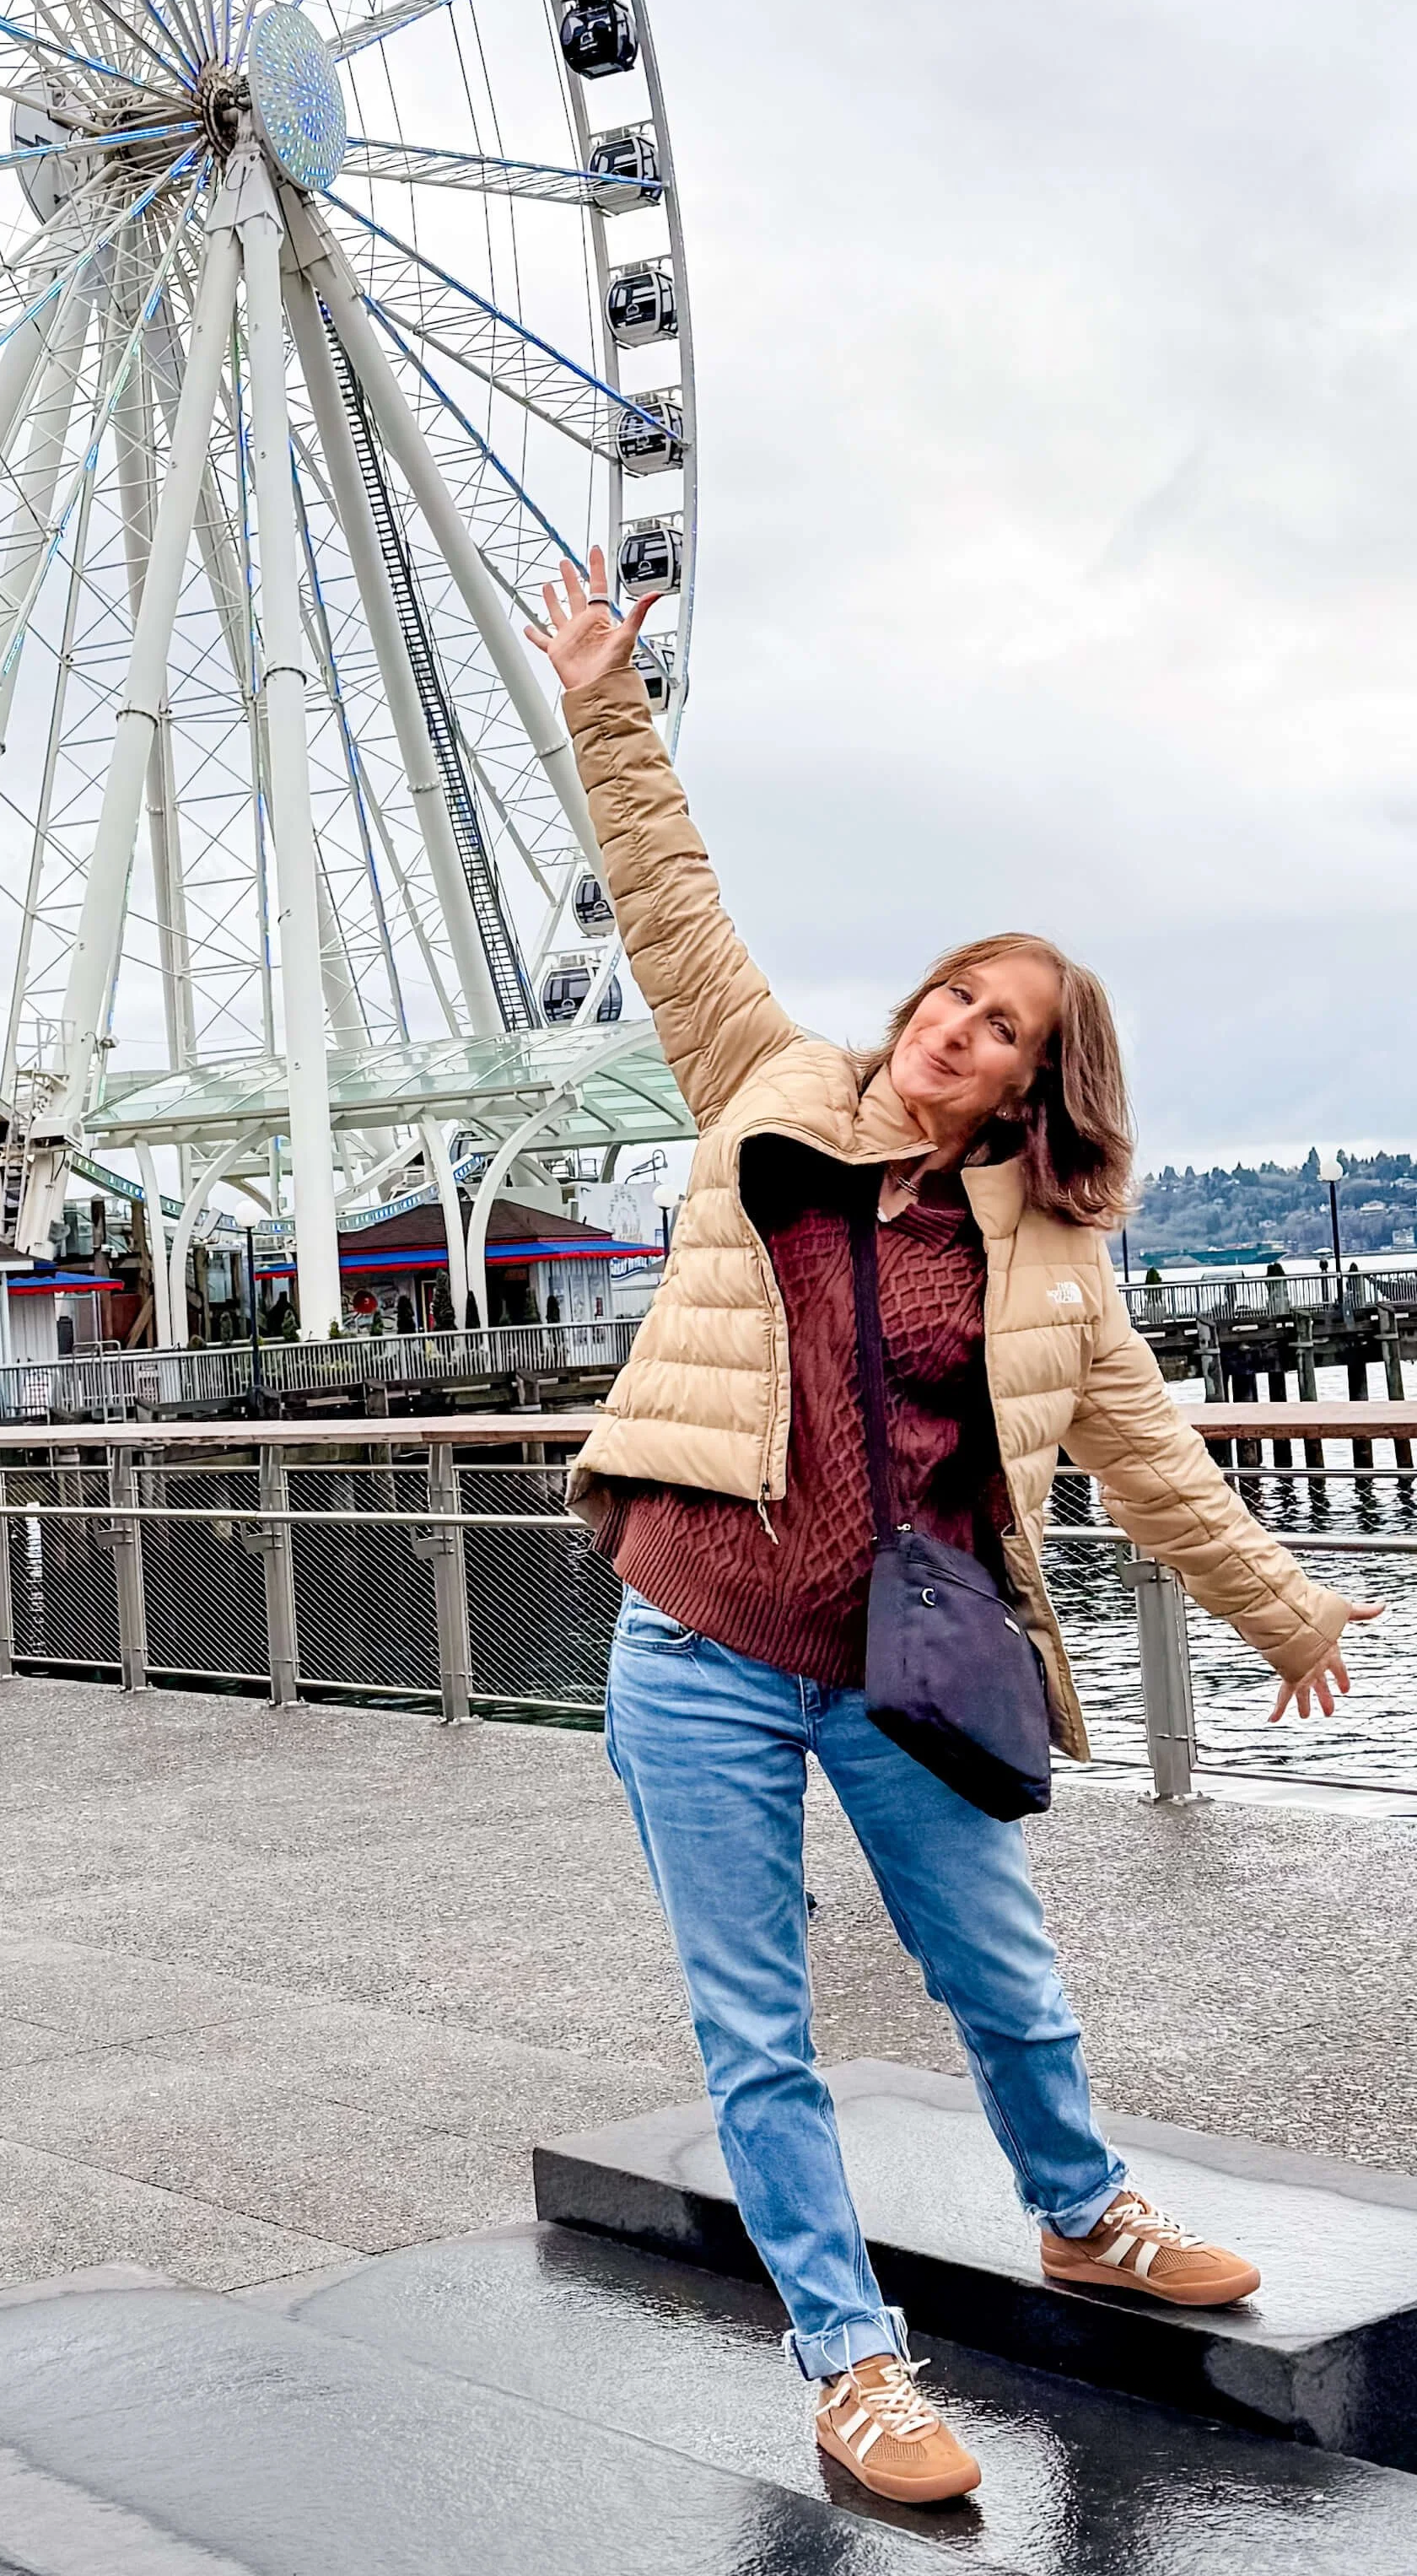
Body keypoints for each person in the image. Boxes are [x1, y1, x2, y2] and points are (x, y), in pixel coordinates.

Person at [525, 551, 1382, 2512]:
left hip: (901, 1672)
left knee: (1005, 1980)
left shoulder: (1051, 1250)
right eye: (953, 996)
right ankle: (853, 2368)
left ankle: (1083, 2209)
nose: (960, 1031)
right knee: (757, 2028)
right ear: (912, 1007)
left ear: (1031, 1083)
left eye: (1005, 1028)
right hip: (697, 1650)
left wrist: (1269, 1602)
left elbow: (1148, 1445)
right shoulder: (766, 1082)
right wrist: (602, 704)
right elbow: (668, 897)